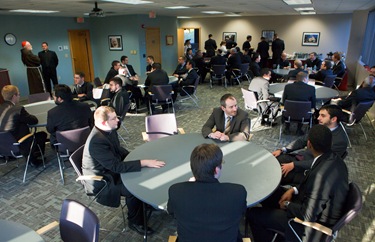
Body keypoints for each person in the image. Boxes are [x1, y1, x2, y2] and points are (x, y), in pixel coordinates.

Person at [248, 125, 349, 242]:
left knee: (253, 214)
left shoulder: (320, 176)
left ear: (309, 144)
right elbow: (311, 187)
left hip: (308, 224)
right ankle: (272, 221)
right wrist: (293, 190)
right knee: (267, 192)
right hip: (307, 201)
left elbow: (308, 215)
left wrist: (287, 205)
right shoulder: (335, 159)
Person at [82, 106, 165, 235]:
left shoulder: (109, 130)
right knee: (133, 188)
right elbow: (116, 167)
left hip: (111, 170)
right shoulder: (96, 142)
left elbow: (118, 149)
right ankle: (135, 222)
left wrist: (136, 158)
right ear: (104, 122)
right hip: (104, 180)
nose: (118, 120)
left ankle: (143, 204)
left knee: (141, 174)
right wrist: (143, 162)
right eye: (114, 118)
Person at [167, 143, 247, 242]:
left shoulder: (176, 191)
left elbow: (171, 212)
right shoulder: (237, 192)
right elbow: (242, 212)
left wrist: (188, 186)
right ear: (216, 170)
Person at [272, 105, 348, 186]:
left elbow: (324, 162)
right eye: (319, 115)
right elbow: (302, 140)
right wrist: (283, 150)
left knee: (275, 176)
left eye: (323, 116)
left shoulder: (340, 141)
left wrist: (294, 165)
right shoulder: (320, 126)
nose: (318, 118)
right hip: (299, 158)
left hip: (308, 170)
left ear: (333, 119)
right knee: (272, 161)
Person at [0, 85, 47, 166]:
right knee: (42, 135)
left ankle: (31, 156)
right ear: (14, 96)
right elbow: (33, 120)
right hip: (18, 144)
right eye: (19, 94)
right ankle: (33, 160)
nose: (19, 97)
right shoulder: (18, 109)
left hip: (3, 146)